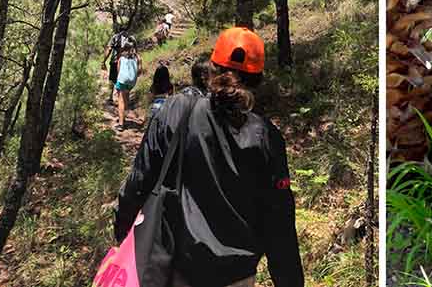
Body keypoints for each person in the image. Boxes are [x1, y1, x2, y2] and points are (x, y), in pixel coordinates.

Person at [114, 27, 304, 287]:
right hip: (234, 276)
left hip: (171, 268)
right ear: (258, 79)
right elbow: (279, 225)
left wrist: (123, 234)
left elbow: (139, 181)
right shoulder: (267, 138)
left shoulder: (177, 110)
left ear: (212, 69)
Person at [102, 26, 134, 103]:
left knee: (113, 79)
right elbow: (134, 51)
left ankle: (111, 97)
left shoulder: (115, 37)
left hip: (115, 61)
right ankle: (124, 98)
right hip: (127, 62)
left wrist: (103, 61)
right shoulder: (130, 38)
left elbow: (109, 49)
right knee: (124, 79)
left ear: (119, 30)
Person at [114, 41, 140, 131]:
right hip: (132, 81)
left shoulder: (121, 58)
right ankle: (123, 118)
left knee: (121, 100)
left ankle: (121, 124)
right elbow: (140, 70)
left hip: (122, 80)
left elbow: (118, 70)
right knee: (126, 98)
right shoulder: (137, 58)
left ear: (124, 48)